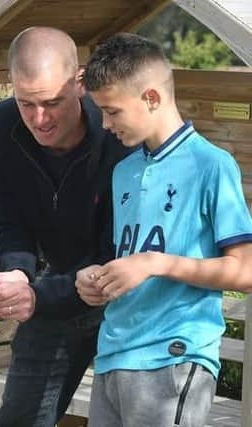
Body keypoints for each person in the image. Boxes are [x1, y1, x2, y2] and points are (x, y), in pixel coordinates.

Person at [77, 32, 252, 427]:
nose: (104, 124)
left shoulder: (213, 166)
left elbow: (245, 271)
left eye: (112, 111)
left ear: (151, 98)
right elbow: (133, 258)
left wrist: (155, 263)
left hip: (174, 357)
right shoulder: (123, 171)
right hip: (113, 355)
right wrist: (99, 279)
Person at [0, 26, 130, 426]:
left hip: (128, 298)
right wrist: (16, 271)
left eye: (52, 103)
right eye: (25, 103)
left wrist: (40, 295)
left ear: (79, 83)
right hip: (55, 292)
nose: (39, 119)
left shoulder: (120, 135)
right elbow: (9, 223)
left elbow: (120, 252)